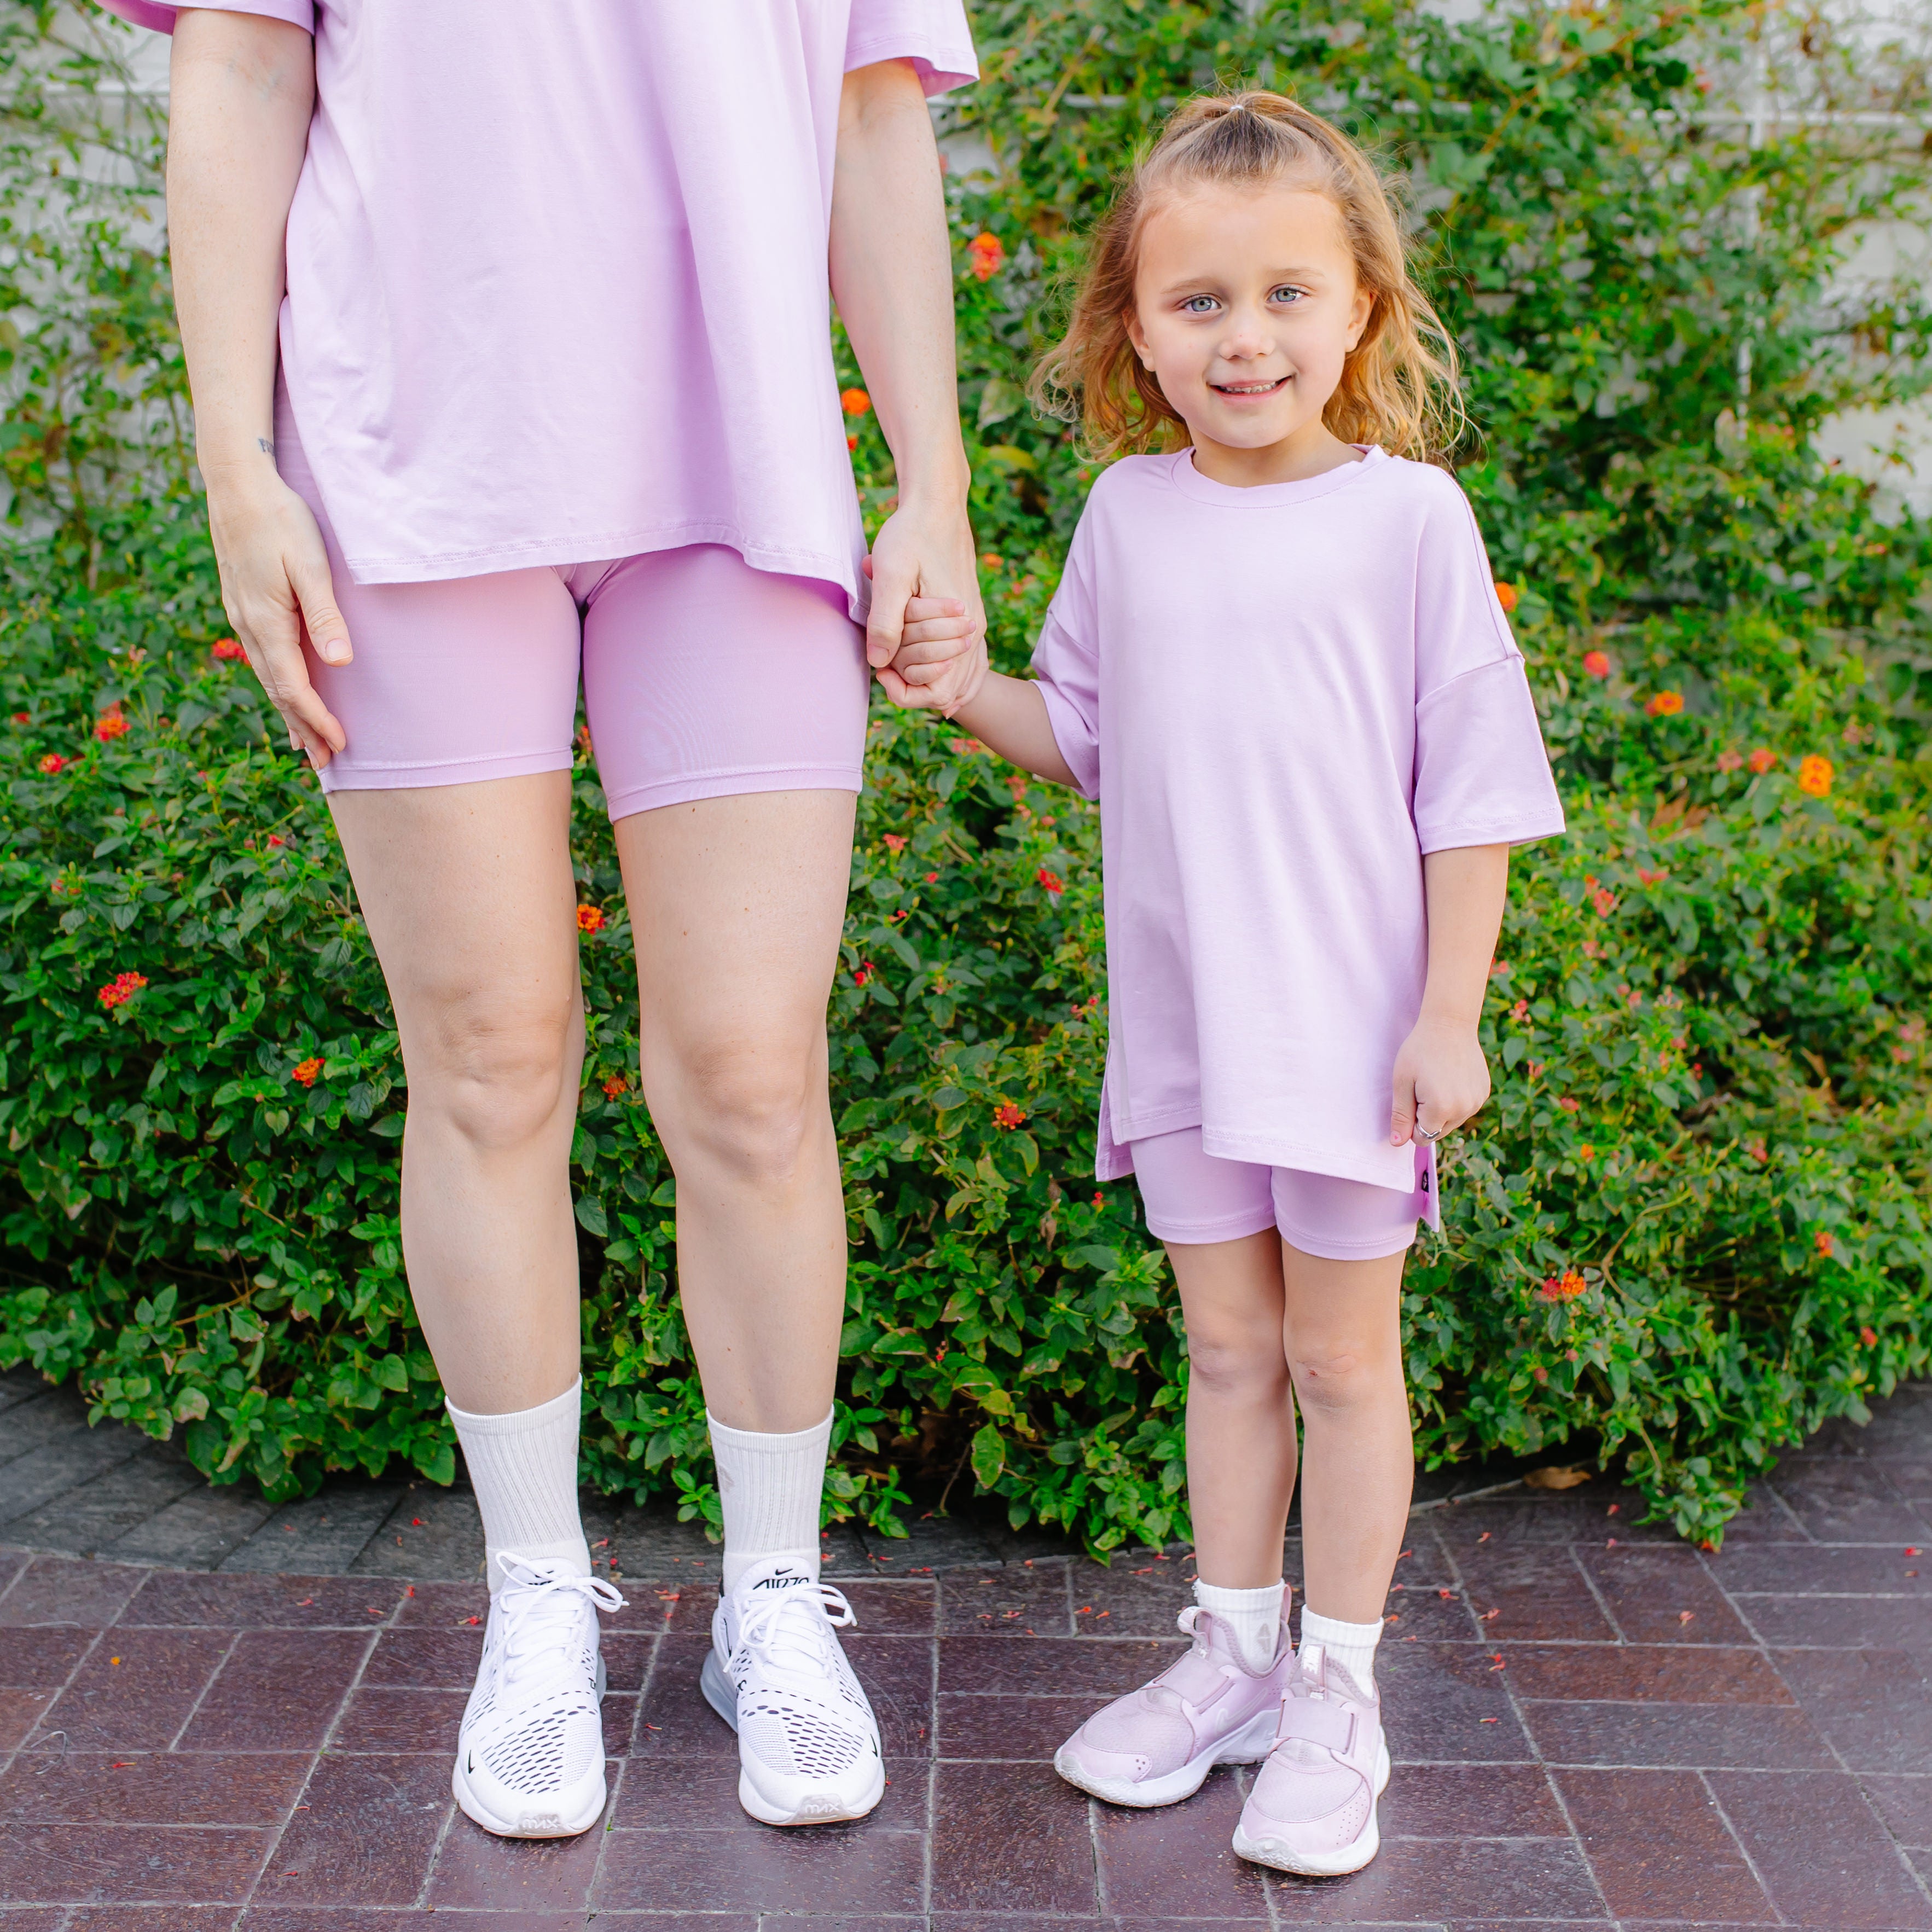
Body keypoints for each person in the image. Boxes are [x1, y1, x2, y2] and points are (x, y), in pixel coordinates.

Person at [106, 0, 988, 1840]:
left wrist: (936, 483)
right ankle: (532, 1602)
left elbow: (871, 111)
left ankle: (770, 1600)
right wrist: (230, 459)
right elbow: (245, 70)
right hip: (406, 463)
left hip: (737, 479)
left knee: (753, 1074)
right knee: (491, 1060)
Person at [902, 91, 1565, 1875]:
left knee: (1345, 1364)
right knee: (1225, 1346)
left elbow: (1473, 791)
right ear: (1135, 327)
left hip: (1350, 1036)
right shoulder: (1127, 514)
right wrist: (957, 680)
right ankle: (1234, 1658)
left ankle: (1338, 1689)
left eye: (1286, 294)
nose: (1244, 335)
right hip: (1188, 1027)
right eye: (1198, 302)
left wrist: (1449, 1012)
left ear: (1357, 309)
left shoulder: (1410, 521)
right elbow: (1086, 736)